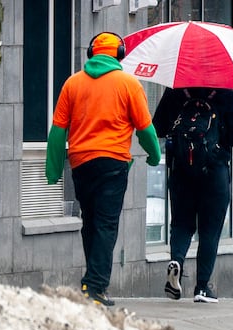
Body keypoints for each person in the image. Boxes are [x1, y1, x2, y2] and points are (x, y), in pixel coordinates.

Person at [45, 32, 161, 306]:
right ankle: (95, 287)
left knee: (91, 222)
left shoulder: (73, 84)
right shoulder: (129, 84)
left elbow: (58, 131)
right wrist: (154, 156)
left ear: (91, 53)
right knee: (106, 225)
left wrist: (52, 171)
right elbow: (145, 128)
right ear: (119, 54)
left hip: (82, 163)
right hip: (113, 163)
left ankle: (91, 282)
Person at [152, 87, 233, 303]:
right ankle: (202, 287)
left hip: (181, 169)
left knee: (181, 223)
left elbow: (158, 127)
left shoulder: (175, 91)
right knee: (210, 230)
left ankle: (177, 261)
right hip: (215, 171)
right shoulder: (224, 93)